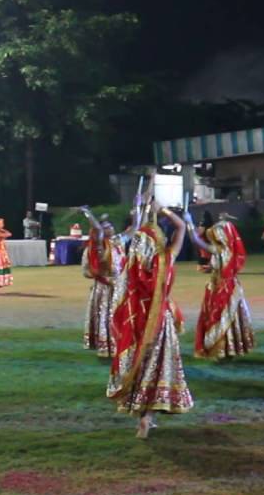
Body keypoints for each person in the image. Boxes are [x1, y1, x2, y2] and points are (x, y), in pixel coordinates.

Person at [108, 188, 194, 438]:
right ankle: (149, 416)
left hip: (138, 317)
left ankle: (142, 416)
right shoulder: (166, 259)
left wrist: (143, 208)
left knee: (140, 363)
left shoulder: (132, 268)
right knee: (158, 367)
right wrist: (160, 208)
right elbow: (181, 227)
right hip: (160, 319)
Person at [187, 214, 256, 360]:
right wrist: (211, 268)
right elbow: (220, 266)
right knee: (227, 317)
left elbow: (195, 240)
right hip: (224, 286)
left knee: (220, 317)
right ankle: (228, 349)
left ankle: (221, 350)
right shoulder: (227, 250)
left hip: (222, 288)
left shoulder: (219, 250)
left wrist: (188, 221)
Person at [80, 208, 123, 357]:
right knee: (107, 316)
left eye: (111, 226)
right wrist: (88, 213)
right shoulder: (96, 247)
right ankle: (107, 346)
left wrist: (141, 208)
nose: (111, 228)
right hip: (104, 288)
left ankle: (121, 344)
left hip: (120, 287)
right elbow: (86, 272)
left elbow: (134, 228)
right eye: (107, 227)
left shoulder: (117, 242)